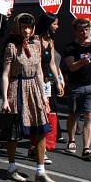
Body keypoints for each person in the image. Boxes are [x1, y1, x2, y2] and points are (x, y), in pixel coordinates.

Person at [0, 13, 56, 182]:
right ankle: (11, 168)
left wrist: (44, 97)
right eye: (23, 27)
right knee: (14, 131)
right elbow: (5, 74)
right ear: (18, 27)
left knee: (41, 129)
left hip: (33, 88)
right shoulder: (11, 46)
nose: (26, 30)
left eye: (29, 27)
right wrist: (4, 99)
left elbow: (39, 71)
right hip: (17, 87)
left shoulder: (37, 44)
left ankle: (40, 171)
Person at [64, 18, 91, 161]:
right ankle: (71, 139)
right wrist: (81, 62)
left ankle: (86, 148)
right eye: (81, 29)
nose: (84, 32)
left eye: (86, 29)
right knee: (74, 115)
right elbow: (71, 67)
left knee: (90, 116)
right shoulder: (70, 48)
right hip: (76, 86)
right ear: (75, 31)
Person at [35, 14, 65, 146]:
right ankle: (35, 143)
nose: (57, 27)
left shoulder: (50, 41)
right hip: (36, 80)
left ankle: (48, 138)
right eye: (55, 24)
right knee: (38, 110)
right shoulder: (36, 40)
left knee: (51, 108)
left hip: (47, 80)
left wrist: (58, 81)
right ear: (48, 25)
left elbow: (52, 63)